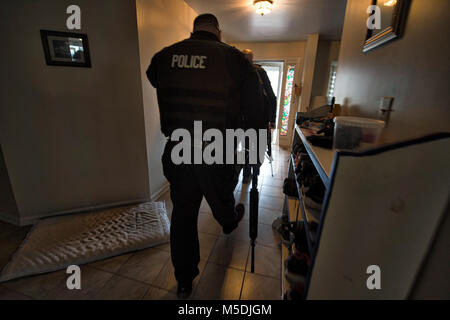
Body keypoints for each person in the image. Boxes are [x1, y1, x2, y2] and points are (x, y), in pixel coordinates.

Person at [146, 14, 265, 299]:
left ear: (194, 29)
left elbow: (154, 78)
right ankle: (228, 220)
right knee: (221, 195)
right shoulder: (234, 60)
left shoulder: (165, 57)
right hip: (217, 148)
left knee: (184, 214)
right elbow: (256, 110)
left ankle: (184, 280)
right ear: (219, 32)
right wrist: (256, 150)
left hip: (178, 147)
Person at [241, 48, 277, 184]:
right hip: (260, 119)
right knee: (258, 147)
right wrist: (272, 120)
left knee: (247, 147)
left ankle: (246, 173)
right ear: (252, 59)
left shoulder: (238, 73)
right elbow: (272, 97)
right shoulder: (260, 72)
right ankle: (255, 172)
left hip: (244, 120)